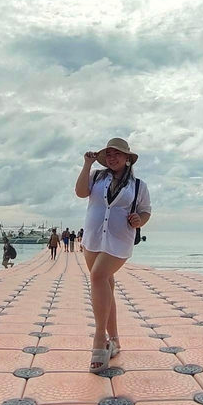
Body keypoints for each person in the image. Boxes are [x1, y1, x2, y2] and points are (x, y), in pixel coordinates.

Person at [75, 138, 151, 373]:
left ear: (127, 158)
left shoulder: (138, 185)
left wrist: (140, 220)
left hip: (119, 240)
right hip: (93, 238)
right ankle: (115, 339)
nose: (112, 158)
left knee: (98, 276)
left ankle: (100, 340)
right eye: (108, 154)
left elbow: (145, 211)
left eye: (117, 154)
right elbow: (80, 192)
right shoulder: (97, 177)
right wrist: (87, 165)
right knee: (105, 285)